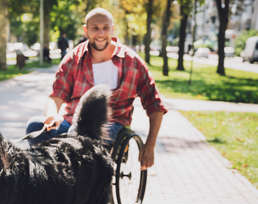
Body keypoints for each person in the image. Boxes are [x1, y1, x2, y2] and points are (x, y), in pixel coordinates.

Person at [26, 7, 167, 170]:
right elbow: (56, 95)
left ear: (112, 29)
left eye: (105, 28)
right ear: (86, 30)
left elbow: (155, 106)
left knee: (79, 134)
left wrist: (149, 146)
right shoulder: (74, 58)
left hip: (111, 124)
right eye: (95, 28)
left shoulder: (132, 62)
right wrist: (51, 115)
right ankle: (52, 179)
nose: (100, 34)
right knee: (35, 126)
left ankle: (71, 178)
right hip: (71, 121)